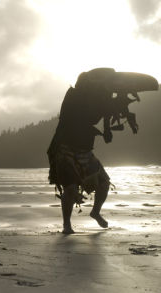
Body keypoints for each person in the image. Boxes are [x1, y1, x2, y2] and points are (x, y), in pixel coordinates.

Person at [47, 68, 141, 234]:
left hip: (85, 151)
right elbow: (86, 111)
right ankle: (66, 224)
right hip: (65, 150)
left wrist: (108, 127)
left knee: (104, 183)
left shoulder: (98, 100)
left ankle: (95, 212)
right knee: (70, 189)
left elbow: (105, 112)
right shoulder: (73, 96)